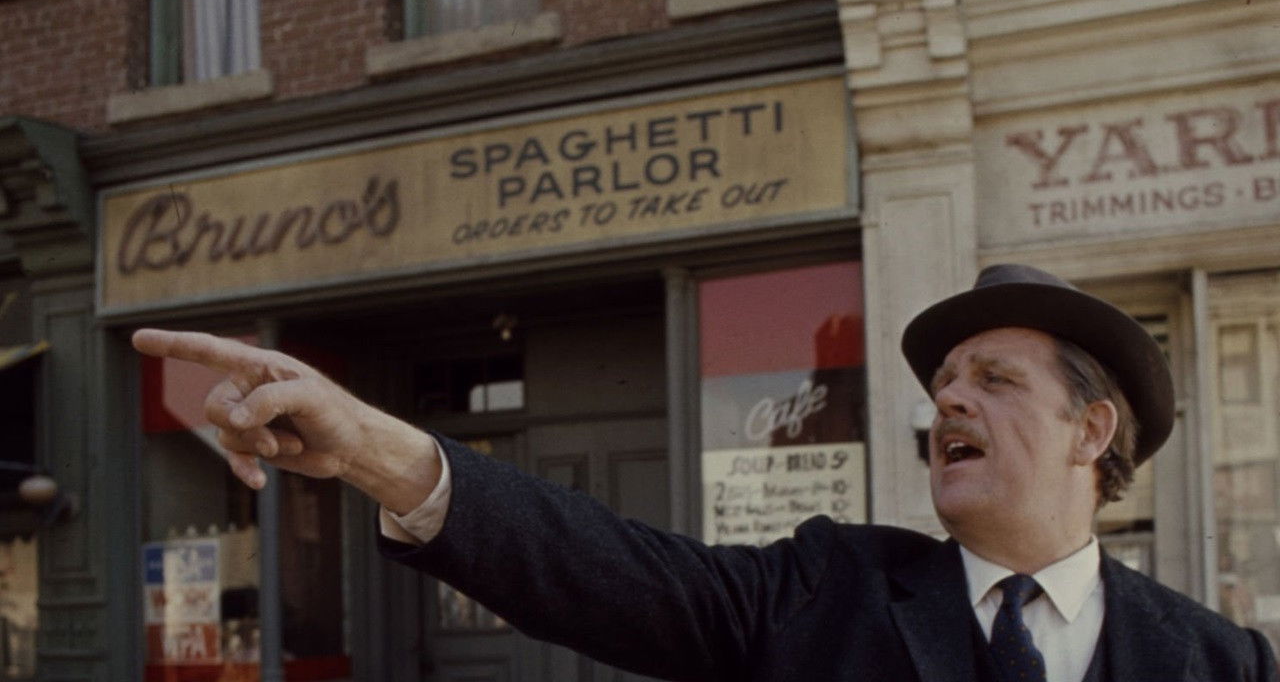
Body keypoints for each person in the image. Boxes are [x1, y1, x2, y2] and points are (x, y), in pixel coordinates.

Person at [133, 264, 1278, 682]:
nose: (946, 401)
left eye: (991, 379)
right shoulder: (826, 588)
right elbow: (608, 570)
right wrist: (370, 448)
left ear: (1090, 431)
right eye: (941, 383)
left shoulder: (1219, 663)